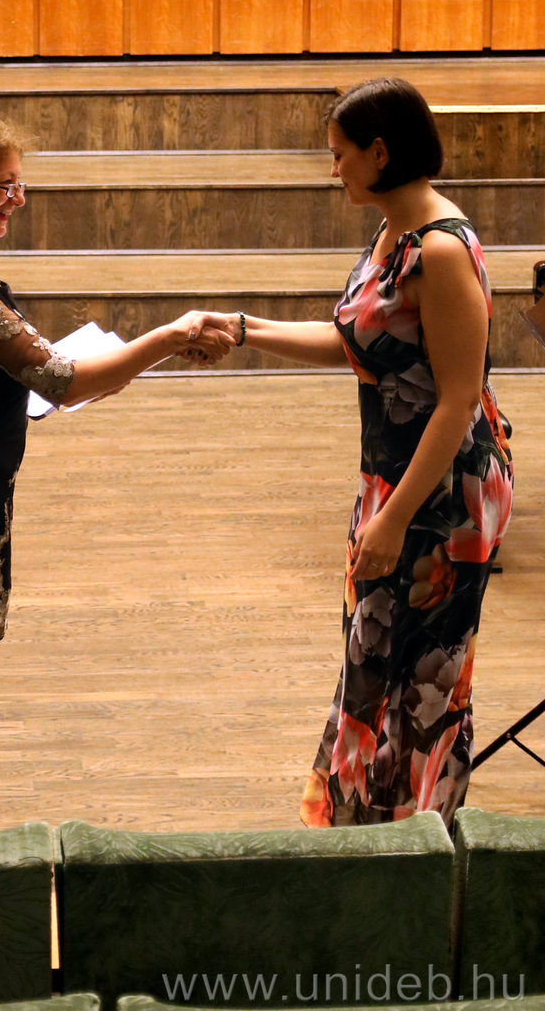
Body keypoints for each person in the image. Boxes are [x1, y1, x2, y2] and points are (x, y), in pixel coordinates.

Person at [0, 110, 233, 839]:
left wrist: (94, 374)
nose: (16, 200)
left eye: (19, 185)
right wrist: (167, 337)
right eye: (4, 187)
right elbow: (60, 378)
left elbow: (19, 370)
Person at [194, 78, 513, 827]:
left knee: (421, 678)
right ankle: (362, 832)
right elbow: (357, 342)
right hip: (394, 477)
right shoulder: (391, 233)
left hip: (444, 492)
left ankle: (412, 841)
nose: (332, 169)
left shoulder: (440, 250)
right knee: (373, 658)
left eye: (339, 155)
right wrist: (243, 328)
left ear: (380, 152)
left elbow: (458, 401)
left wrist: (394, 519)